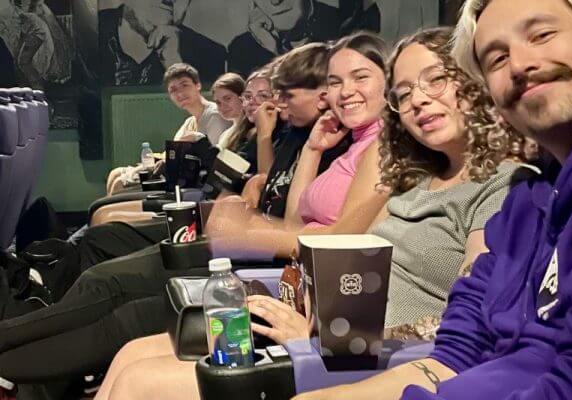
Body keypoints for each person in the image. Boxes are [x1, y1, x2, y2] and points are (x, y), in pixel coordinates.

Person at [95, 27, 535, 400]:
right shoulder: (417, 174)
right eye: (405, 93)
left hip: (363, 358)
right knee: (131, 354)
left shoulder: (504, 184)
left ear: (474, 83)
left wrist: (326, 339)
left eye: (435, 81)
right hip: (324, 333)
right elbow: (333, 249)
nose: (418, 100)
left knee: (141, 382)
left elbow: (468, 329)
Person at [292, 0, 572, 399]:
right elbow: (456, 351)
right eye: (497, 58)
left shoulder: (506, 185)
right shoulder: (524, 207)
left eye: (542, 35)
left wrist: (324, 342)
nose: (521, 63)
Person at [0, 41, 348, 392]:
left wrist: (249, 211)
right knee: (99, 258)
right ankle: (32, 321)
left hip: (246, 261)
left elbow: (286, 222)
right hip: (231, 240)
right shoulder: (294, 137)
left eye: (282, 94)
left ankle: (22, 350)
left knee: (114, 294)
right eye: (258, 96)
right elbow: (254, 193)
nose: (270, 103)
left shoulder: (302, 139)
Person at [94, 30, 390, 400]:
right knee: (130, 354)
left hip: (323, 313)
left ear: (388, 82)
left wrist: (250, 231)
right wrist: (313, 150)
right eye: (336, 81)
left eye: (360, 77)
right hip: (295, 290)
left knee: (139, 376)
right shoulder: (342, 140)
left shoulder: (381, 146)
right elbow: (297, 220)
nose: (345, 91)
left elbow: (340, 244)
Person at [105, 63, 230, 197]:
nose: (180, 93)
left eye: (184, 85)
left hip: (194, 183)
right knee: (115, 173)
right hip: (178, 174)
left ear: (197, 85)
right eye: (173, 89)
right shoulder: (189, 122)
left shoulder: (214, 116)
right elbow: (172, 153)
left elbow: (213, 161)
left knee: (119, 182)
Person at [228, 0, 341, 77]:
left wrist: (278, 54)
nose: (275, 1)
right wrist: (272, 51)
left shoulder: (345, 29)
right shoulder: (241, 49)